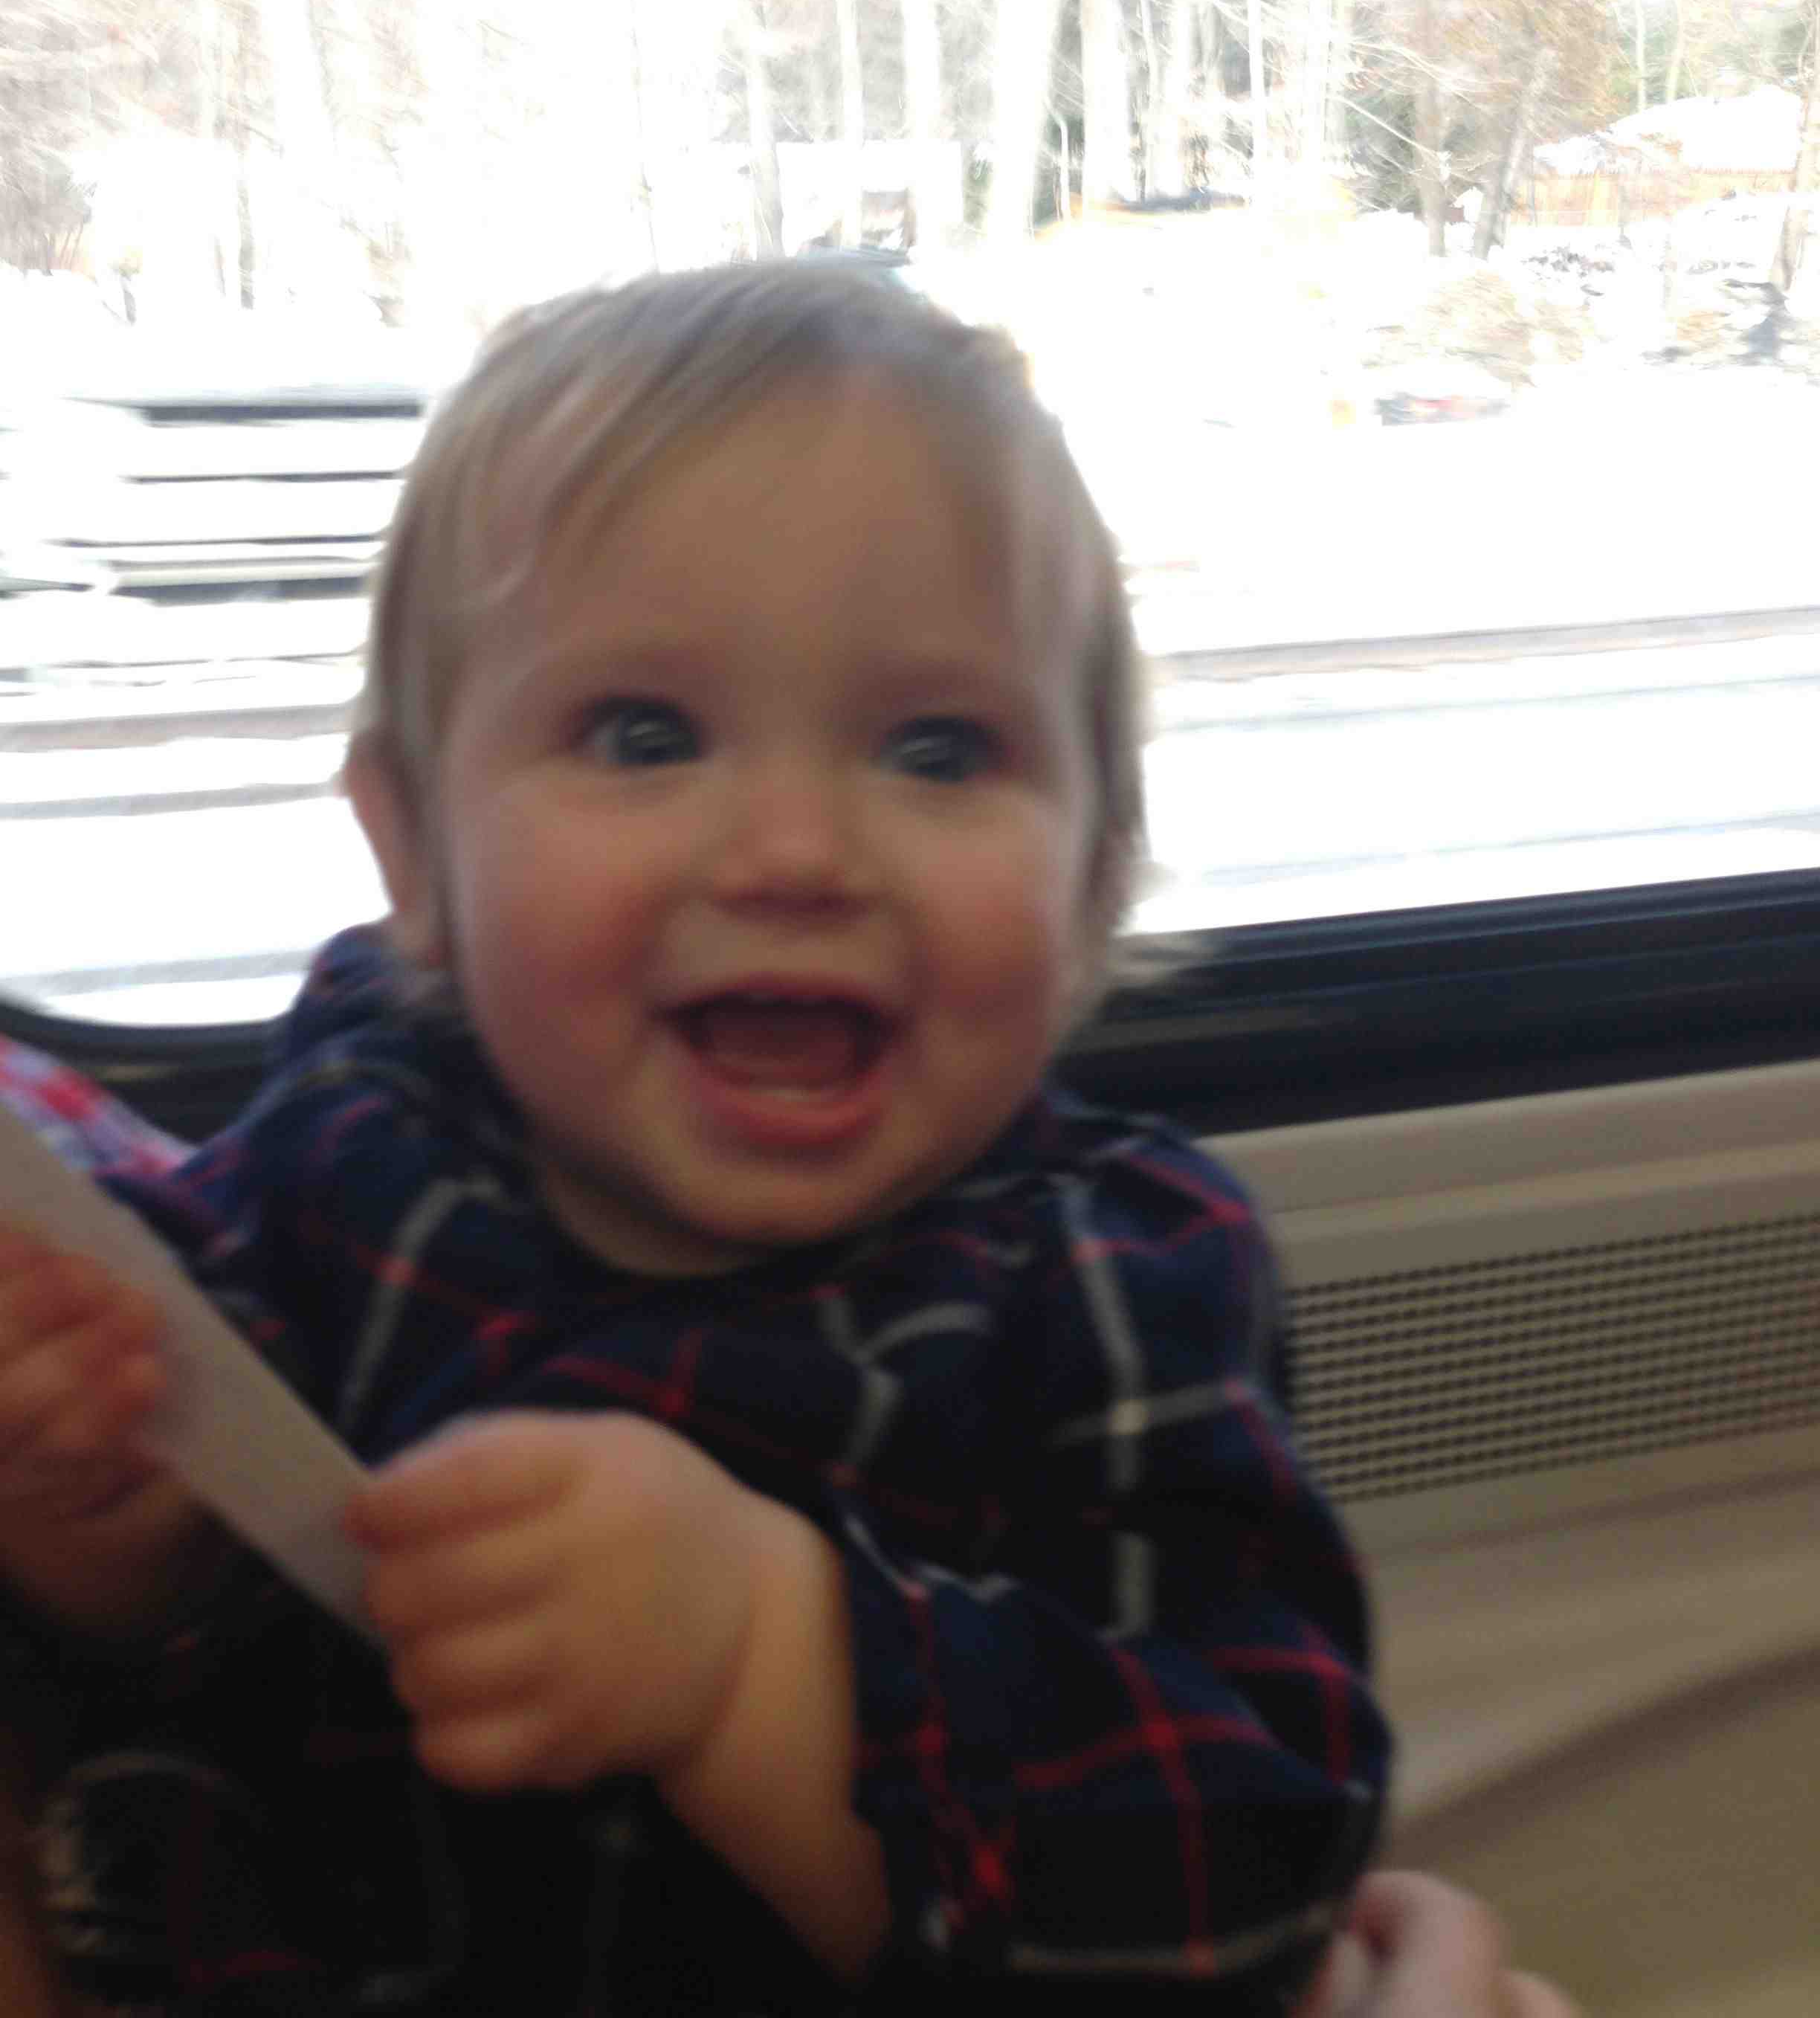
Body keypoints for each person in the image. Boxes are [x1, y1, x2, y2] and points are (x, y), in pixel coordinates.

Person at [0, 263, 1401, 2014]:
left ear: (1095, 877)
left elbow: (1247, 1882)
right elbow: (194, 1648)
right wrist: (104, 1518)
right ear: (414, 850)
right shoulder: (349, 1144)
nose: (795, 851)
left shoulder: (1110, 1280)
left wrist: (760, 1661)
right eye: (644, 735)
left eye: (939, 750)